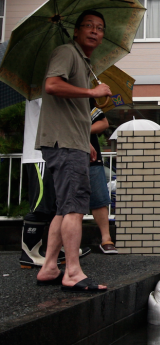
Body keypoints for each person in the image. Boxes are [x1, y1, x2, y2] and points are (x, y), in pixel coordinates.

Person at [35, 10, 112, 292]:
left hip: (72, 142)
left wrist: (86, 142)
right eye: (88, 26)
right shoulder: (67, 52)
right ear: (77, 30)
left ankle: (49, 267)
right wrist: (92, 93)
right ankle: (72, 272)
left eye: (100, 28)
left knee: (64, 208)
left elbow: (75, 112)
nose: (94, 31)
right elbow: (52, 85)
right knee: (76, 208)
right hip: (64, 143)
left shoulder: (82, 60)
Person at [20, 99, 91, 268]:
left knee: (57, 206)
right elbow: (59, 112)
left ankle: (57, 250)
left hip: (54, 153)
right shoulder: (43, 87)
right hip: (39, 156)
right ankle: (29, 253)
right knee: (41, 206)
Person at [89, 98, 117, 254]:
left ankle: (106, 238)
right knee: (70, 203)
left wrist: (82, 130)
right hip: (68, 156)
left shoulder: (86, 99)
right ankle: (67, 244)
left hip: (92, 159)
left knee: (99, 197)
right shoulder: (60, 100)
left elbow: (103, 123)